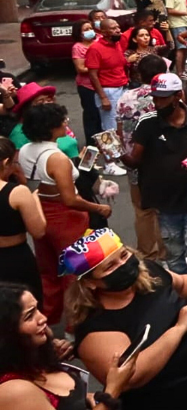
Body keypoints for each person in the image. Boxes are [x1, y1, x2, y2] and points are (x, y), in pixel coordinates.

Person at [64, 229, 187, 410]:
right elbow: (132, 375)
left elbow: (181, 285)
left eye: (123, 256)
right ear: (89, 282)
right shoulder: (96, 328)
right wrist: (179, 328)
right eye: (110, 267)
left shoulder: (148, 272)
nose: (123, 265)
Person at [124, 74, 187, 329]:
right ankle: (182, 298)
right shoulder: (147, 124)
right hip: (165, 201)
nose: (157, 103)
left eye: (163, 98)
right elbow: (135, 159)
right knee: (175, 253)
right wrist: (115, 152)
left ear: (178, 97)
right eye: (155, 98)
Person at [18, 104, 111, 324]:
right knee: (75, 273)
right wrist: (98, 208)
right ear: (50, 128)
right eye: (62, 121)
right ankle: (75, 324)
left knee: (49, 272)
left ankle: (49, 318)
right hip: (66, 218)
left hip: (40, 213)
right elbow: (70, 199)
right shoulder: (56, 158)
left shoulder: (24, 150)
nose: (66, 123)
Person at [0, 281, 135, 410]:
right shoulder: (14, 391)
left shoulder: (36, 359)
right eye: (29, 316)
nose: (43, 318)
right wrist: (113, 389)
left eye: (37, 309)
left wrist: (87, 399)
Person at [115, 56, 168, 261]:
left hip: (133, 162)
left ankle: (148, 255)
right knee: (164, 210)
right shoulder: (166, 96)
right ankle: (166, 254)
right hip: (162, 161)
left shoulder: (125, 97)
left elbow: (119, 131)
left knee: (142, 210)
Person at [0, 138, 45, 303]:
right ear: (6, 162)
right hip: (15, 258)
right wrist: (35, 199)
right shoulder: (17, 192)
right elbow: (38, 230)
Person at [86, 19, 130, 133]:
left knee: (126, 124)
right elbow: (93, 75)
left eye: (118, 27)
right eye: (113, 28)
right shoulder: (95, 49)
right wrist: (103, 98)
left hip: (123, 88)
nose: (118, 31)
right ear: (104, 32)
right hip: (109, 92)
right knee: (112, 127)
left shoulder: (117, 44)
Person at [69, 23, 103, 148]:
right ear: (79, 33)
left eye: (90, 28)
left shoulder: (99, 40)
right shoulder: (78, 48)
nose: (90, 31)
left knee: (102, 114)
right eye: (86, 29)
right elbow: (81, 68)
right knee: (91, 114)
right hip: (87, 86)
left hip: (102, 83)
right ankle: (91, 143)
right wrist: (98, 67)